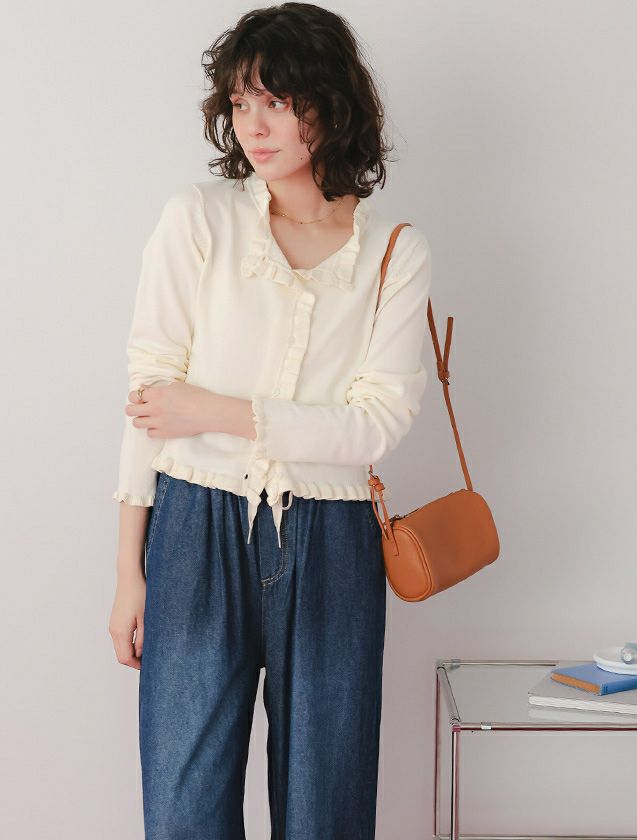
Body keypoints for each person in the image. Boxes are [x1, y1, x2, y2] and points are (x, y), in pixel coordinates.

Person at [108, 3, 432, 838]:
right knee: (183, 809)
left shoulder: (394, 251)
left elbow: (375, 426)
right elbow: (149, 399)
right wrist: (128, 572)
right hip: (194, 526)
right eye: (241, 101)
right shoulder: (200, 218)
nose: (254, 125)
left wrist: (216, 411)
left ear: (331, 104)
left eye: (278, 102)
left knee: (327, 810)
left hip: (333, 540)